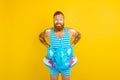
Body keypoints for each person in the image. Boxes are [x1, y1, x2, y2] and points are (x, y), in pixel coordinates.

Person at [39, 11, 81, 80]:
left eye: (60, 19)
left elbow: (78, 35)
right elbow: (40, 36)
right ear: (53, 20)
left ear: (63, 20)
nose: (58, 21)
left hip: (66, 64)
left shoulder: (70, 31)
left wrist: (72, 45)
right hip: (53, 64)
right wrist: (48, 46)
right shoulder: (49, 32)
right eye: (56, 19)